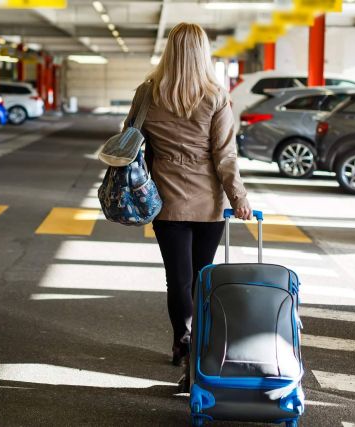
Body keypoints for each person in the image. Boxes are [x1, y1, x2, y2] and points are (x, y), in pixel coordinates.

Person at [122, 23, 252, 391]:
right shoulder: (215, 96)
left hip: (164, 200)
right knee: (202, 279)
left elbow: (131, 140)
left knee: (177, 279)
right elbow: (225, 156)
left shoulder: (148, 93)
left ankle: (183, 339)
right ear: (202, 52)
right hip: (208, 202)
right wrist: (239, 198)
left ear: (170, 50)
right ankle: (201, 347)